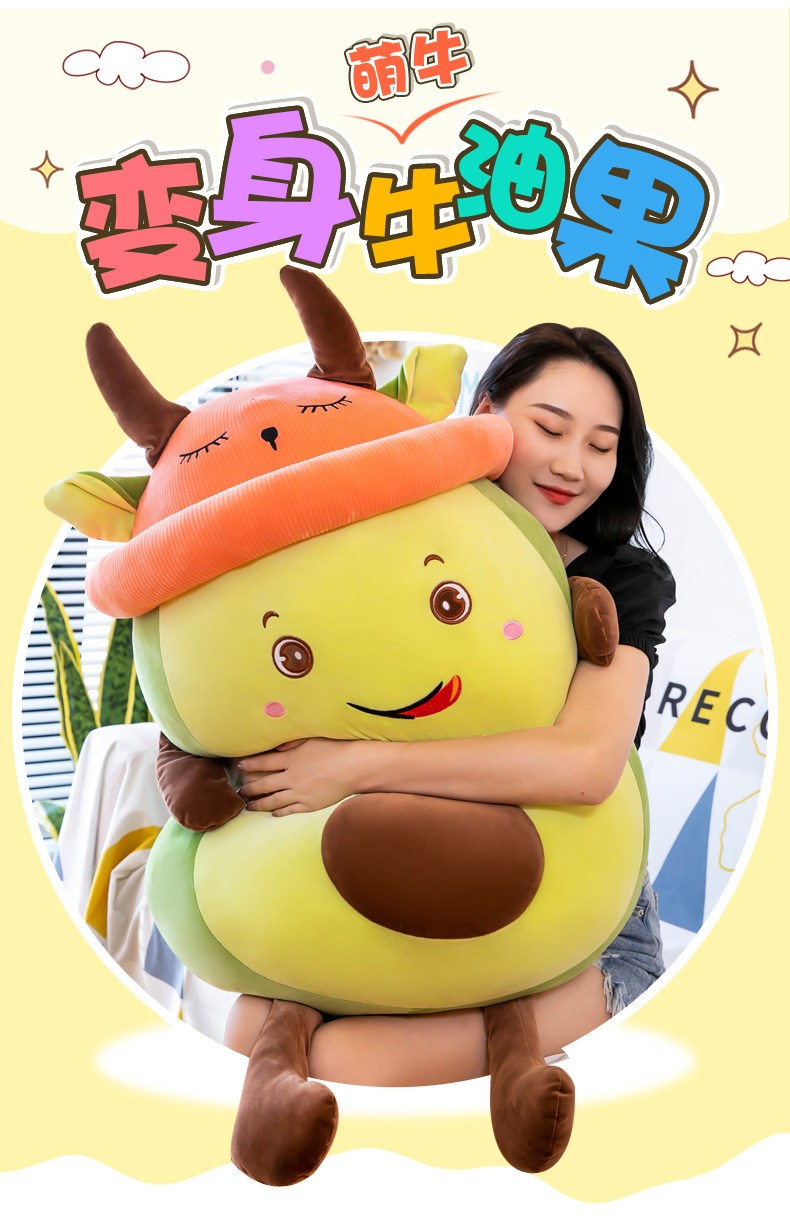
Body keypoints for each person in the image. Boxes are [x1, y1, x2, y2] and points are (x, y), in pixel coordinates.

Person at [225, 322, 675, 1096]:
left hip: (573, 926)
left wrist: (356, 765)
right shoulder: (408, 532)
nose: (573, 465)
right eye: (550, 428)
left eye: (602, 446)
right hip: (391, 883)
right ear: (487, 412)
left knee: (350, 1062)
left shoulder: (621, 580)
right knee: (246, 1031)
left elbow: (585, 764)